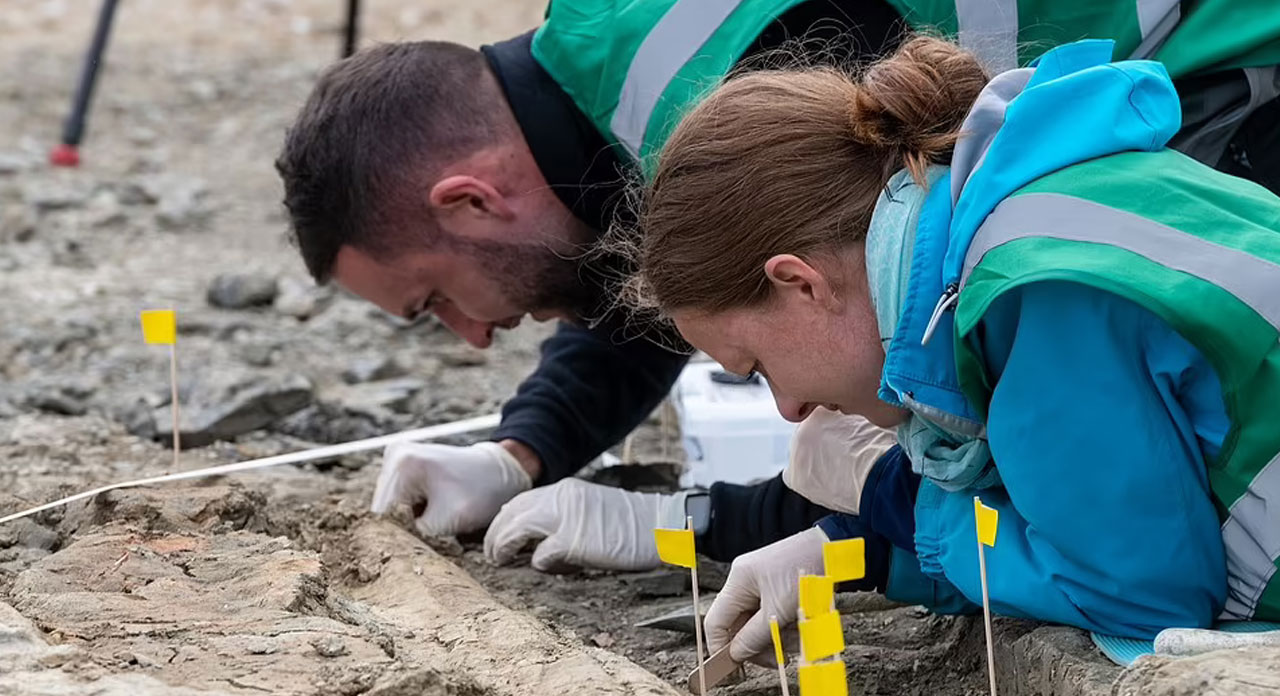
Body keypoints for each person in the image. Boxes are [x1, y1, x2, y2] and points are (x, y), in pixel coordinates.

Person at [275, 0, 1280, 572]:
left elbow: (907, 365)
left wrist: (712, 525)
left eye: (433, 301)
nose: (473, 336)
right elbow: (694, 288)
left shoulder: (708, 95)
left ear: (467, 203)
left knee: (1144, 454)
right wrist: (520, 446)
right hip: (1127, 85)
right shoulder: (610, 49)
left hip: (1228, 59)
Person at [617, 34, 1280, 663]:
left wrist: (911, 513)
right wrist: (868, 552)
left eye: (757, 367)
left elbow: (1140, 596)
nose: (788, 409)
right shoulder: (1030, 195)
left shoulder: (1031, 292)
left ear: (800, 284)